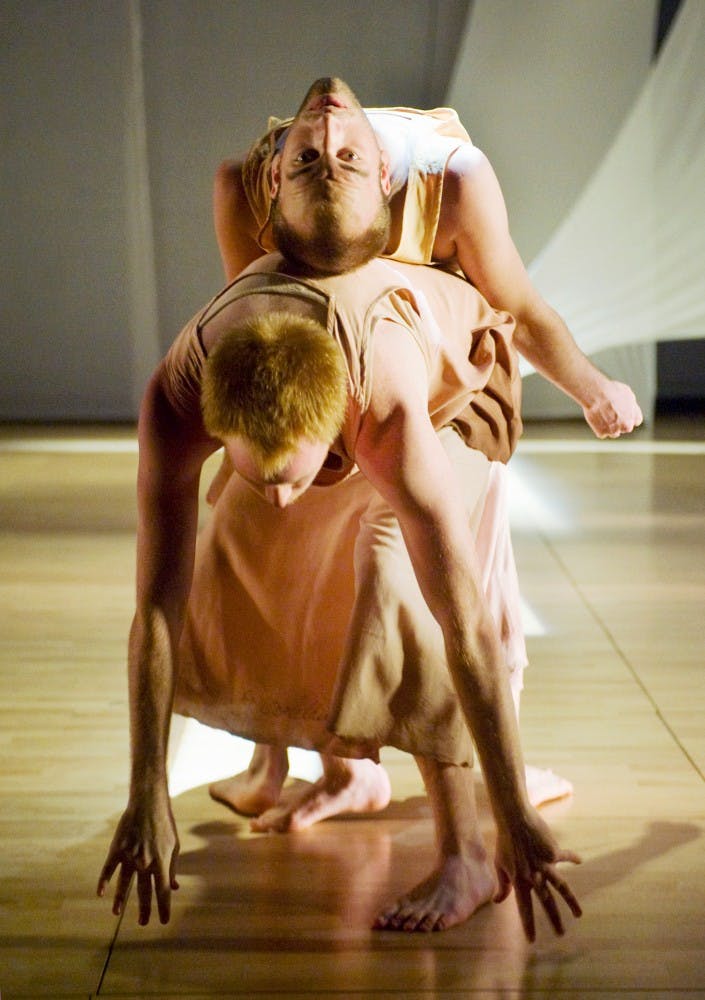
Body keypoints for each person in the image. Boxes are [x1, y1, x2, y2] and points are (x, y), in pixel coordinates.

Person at [98, 251, 582, 939]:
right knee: (243, 532)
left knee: (397, 579)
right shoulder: (175, 396)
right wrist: (144, 792)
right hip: (329, 389)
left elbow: (463, 623)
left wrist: (510, 812)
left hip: (460, 394)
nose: (282, 496)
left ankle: (464, 854)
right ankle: (346, 774)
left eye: (297, 474)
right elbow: (154, 607)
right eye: (262, 474)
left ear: (337, 426)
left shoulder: (385, 408)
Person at [206, 76, 643, 823]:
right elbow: (265, 314)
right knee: (245, 526)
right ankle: (324, 762)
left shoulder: (452, 182)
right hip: (340, 378)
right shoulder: (241, 186)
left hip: (454, 387)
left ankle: (481, 780)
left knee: (398, 560)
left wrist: (592, 388)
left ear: (385, 177)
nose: (328, 138)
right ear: (275, 179)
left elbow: (518, 306)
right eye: (307, 158)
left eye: (345, 156)